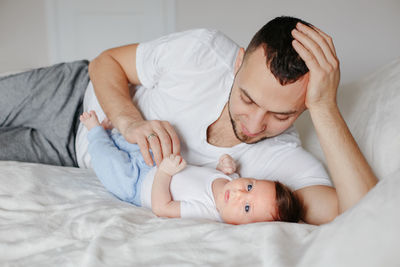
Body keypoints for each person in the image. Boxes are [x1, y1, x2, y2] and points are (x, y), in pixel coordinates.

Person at [0, 16, 378, 225]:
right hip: (72, 92)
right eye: (247, 97)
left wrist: (326, 106)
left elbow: (363, 213)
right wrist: (130, 122)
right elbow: (105, 63)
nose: (255, 124)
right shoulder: (204, 51)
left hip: (74, 154)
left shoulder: (282, 161)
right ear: (237, 63)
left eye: (282, 114)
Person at [80, 110, 303, 224]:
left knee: (108, 164)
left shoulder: (207, 211)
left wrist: (165, 173)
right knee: (136, 144)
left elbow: (162, 207)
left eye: (246, 208)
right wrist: (224, 164)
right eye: (250, 187)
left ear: (240, 226)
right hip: (155, 162)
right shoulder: (230, 180)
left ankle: (96, 133)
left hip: (136, 184)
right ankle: (111, 134)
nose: (238, 193)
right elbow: (211, 174)